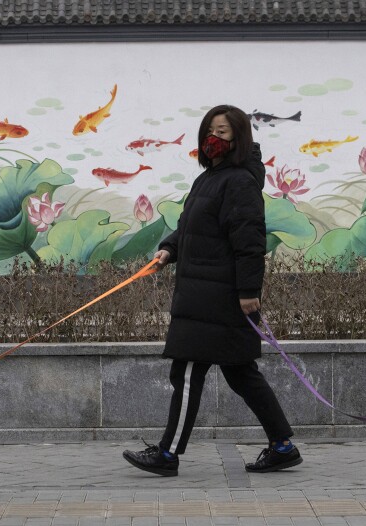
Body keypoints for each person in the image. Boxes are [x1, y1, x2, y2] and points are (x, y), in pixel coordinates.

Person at [122, 105, 301, 477]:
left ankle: (168, 455)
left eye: (223, 132)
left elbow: (250, 241)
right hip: (204, 293)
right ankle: (282, 445)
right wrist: (170, 248)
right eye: (210, 131)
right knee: (240, 373)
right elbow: (191, 226)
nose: (214, 139)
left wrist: (249, 291)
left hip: (217, 297)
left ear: (238, 137)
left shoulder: (238, 181)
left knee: (186, 371)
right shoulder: (209, 179)